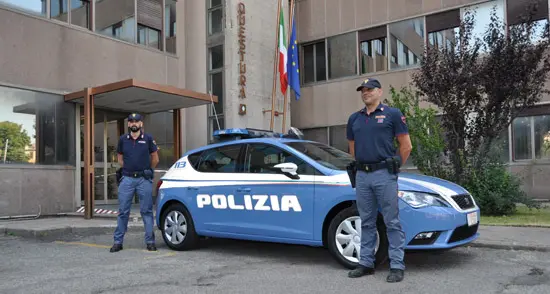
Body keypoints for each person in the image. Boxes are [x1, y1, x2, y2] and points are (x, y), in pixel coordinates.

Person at [346, 78, 412, 283]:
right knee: (366, 221)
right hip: (363, 176)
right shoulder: (354, 118)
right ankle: (366, 263)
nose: (366, 93)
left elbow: (406, 145)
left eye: (370, 89)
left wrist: (395, 166)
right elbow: (352, 147)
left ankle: (397, 265)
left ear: (379, 92)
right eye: (363, 90)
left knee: (391, 221)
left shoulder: (392, 114)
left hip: (385, 174)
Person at [110, 113, 159, 252]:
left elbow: (155, 158)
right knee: (123, 212)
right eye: (131, 121)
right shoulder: (123, 139)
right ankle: (118, 242)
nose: (133, 123)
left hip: (144, 179)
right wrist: (127, 168)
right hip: (127, 179)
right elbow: (120, 157)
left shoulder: (148, 139)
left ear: (141, 124)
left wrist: (149, 170)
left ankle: (150, 242)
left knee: (147, 211)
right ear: (128, 124)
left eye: (136, 121)